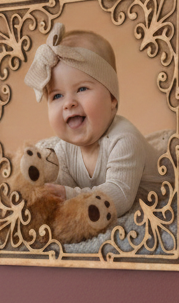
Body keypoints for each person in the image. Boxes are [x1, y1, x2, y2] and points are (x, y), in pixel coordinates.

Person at [23, 22, 164, 218]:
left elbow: (119, 196)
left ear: (112, 98)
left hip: (164, 193)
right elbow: (60, 183)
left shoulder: (124, 140)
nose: (68, 103)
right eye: (56, 96)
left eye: (81, 89)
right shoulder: (64, 149)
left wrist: (68, 195)